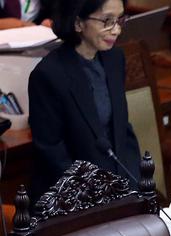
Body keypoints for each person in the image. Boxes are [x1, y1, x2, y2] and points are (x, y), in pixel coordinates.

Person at [27, 0, 140, 199]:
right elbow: (52, 153)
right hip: (72, 199)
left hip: (118, 188)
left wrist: (132, 185)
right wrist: (96, 193)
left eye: (120, 19)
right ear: (78, 23)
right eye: (107, 21)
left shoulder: (115, 59)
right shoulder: (48, 75)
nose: (116, 30)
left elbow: (122, 132)